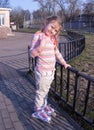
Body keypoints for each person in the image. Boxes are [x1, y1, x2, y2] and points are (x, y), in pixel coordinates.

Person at [29, 15, 71, 123]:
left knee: (45, 91)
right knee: (41, 92)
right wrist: (40, 46)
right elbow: (32, 54)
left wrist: (64, 63)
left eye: (55, 30)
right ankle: (38, 110)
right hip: (42, 72)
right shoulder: (38, 36)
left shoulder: (52, 39)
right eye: (52, 27)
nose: (52, 31)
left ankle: (44, 105)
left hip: (50, 71)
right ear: (46, 23)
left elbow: (57, 53)